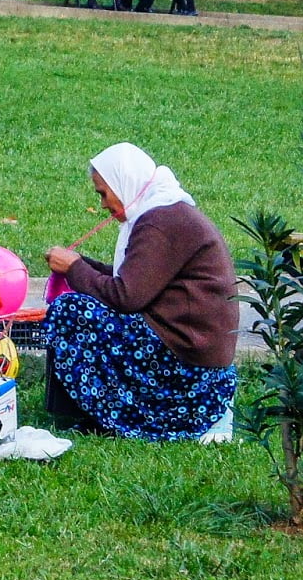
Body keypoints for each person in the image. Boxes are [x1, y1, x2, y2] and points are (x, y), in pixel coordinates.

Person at [43, 143, 238, 441]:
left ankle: (102, 415)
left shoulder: (160, 221)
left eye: (103, 193)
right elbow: (140, 279)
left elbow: (126, 297)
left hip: (189, 369)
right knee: (80, 306)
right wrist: (80, 265)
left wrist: (74, 269)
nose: (104, 204)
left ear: (124, 183)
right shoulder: (165, 212)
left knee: (70, 312)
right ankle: (96, 411)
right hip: (193, 355)